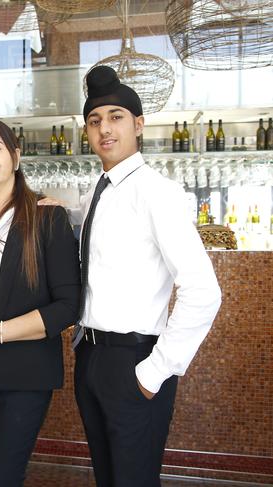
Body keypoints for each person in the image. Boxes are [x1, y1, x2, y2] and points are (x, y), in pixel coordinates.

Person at [73, 65, 222, 487]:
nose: (105, 128)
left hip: (134, 361)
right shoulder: (93, 195)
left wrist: (154, 372)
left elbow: (203, 291)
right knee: (107, 477)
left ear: (138, 124)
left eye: (116, 117)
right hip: (91, 357)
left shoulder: (158, 192)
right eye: (95, 120)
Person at [0, 118, 81, 487]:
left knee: (3, 477)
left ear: (15, 156)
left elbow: (68, 306)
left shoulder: (47, 216)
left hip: (25, 374)